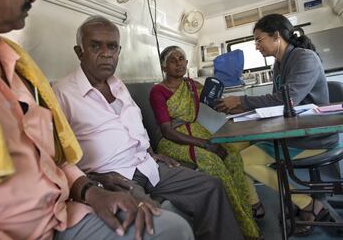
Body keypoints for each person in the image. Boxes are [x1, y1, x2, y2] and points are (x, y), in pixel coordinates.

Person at [0, 0, 195, 240]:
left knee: (172, 228)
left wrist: (89, 190)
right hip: (12, 231)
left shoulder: (16, 66)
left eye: (112, 47)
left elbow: (48, 158)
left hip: (63, 211)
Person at [53, 15, 245, 240]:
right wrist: (93, 177)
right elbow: (58, 157)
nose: (106, 53)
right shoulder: (62, 93)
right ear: (79, 51)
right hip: (113, 178)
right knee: (154, 219)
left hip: (147, 164)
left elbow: (134, 126)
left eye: (112, 47)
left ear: (119, 51)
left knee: (211, 187)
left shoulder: (118, 85)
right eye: (96, 46)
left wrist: (152, 153)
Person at [216, 13, 340, 236]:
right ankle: (255, 206)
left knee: (244, 161)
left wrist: (243, 101)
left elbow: (287, 100)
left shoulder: (305, 59)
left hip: (312, 137)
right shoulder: (279, 64)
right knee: (231, 149)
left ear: (276, 36)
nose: (256, 46)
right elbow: (277, 105)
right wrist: (242, 108)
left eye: (258, 39)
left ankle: (308, 204)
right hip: (290, 134)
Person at [149, 45, 260, 239]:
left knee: (233, 157)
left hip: (198, 133)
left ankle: (245, 216)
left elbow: (215, 106)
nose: (179, 63)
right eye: (172, 60)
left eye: (181, 58)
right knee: (213, 162)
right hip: (174, 139)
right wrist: (204, 144)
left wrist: (245, 109)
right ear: (164, 67)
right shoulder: (158, 91)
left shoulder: (193, 86)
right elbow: (167, 131)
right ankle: (235, 226)